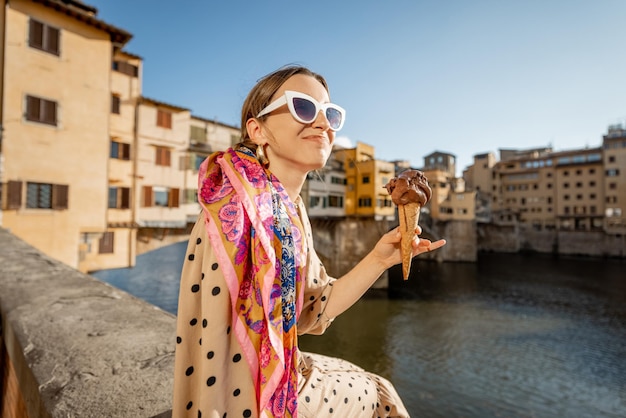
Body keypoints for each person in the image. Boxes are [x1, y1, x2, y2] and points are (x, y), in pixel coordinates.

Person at [172, 65, 446, 418]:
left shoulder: (290, 209)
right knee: (380, 394)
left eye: (331, 114)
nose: (323, 124)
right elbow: (216, 343)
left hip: (277, 369)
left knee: (371, 379)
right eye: (303, 107)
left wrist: (379, 259)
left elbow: (313, 310)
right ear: (257, 130)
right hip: (244, 396)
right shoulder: (239, 207)